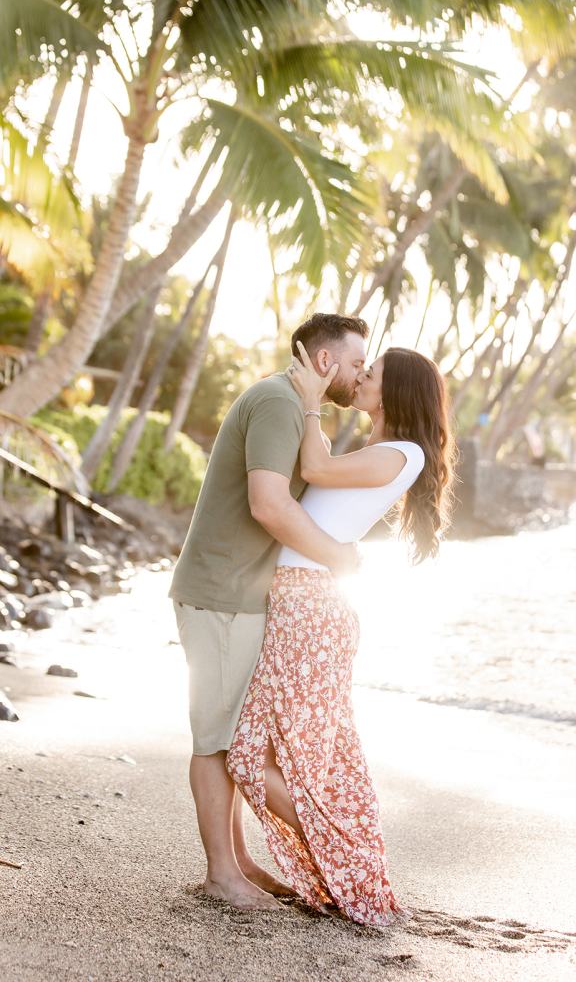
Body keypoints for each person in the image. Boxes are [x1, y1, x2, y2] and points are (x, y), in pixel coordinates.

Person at [227, 341, 455, 926]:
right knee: (273, 752)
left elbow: (315, 470)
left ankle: (344, 854)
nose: (359, 380)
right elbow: (322, 474)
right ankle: (341, 856)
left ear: (395, 389)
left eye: (370, 374)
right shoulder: (380, 449)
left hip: (311, 609)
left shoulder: (403, 453)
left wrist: (307, 402)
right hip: (301, 602)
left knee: (259, 758)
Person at [169, 313, 369, 910]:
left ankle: (239, 864)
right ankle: (222, 876)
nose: (361, 376)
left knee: (230, 732)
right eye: (357, 363)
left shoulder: (292, 405)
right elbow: (269, 505)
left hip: (241, 596)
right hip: (221, 594)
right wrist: (339, 559)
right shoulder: (278, 402)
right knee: (218, 737)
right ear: (325, 361)